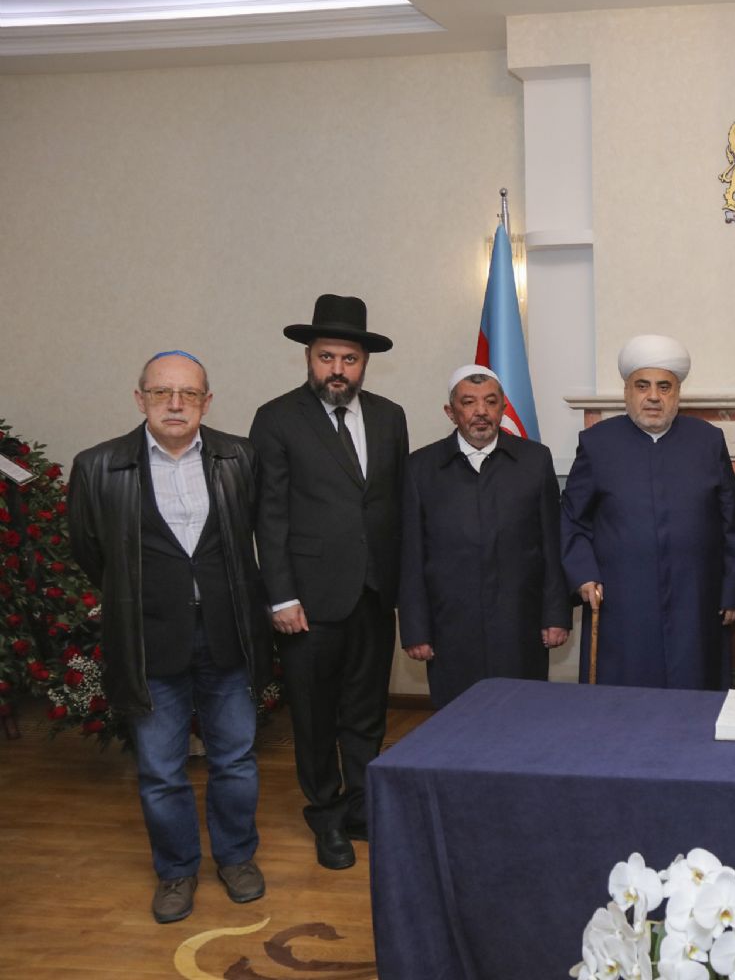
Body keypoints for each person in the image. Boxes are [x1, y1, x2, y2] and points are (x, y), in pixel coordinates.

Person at [69, 351, 273, 923]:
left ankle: (236, 858)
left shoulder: (239, 457)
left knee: (235, 759)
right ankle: (177, 870)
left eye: (189, 393)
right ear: (141, 399)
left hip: (229, 635)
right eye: (162, 392)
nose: (175, 404)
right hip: (148, 641)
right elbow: (91, 552)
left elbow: (258, 530)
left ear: (207, 401)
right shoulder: (98, 466)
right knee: (161, 770)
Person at [250, 294, 408, 871]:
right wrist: (282, 595)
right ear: (309, 358)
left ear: (364, 363)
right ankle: (326, 813)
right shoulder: (277, 418)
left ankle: (363, 808)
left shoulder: (390, 416)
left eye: (349, 359)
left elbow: (392, 505)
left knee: (366, 711)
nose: (337, 370)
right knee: (315, 715)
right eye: (326, 357)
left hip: (373, 593)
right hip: (308, 600)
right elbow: (269, 515)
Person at [561, 335, 735, 688]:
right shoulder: (597, 443)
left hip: (696, 598)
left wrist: (733, 590)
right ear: (626, 392)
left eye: (664, 387)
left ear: (677, 393)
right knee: (625, 698)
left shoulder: (708, 440)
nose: (653, 396)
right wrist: (584, 575)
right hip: (622, 600)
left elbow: (732, 524)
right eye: (642, 385)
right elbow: (572, 519)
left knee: (694, 691)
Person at [399, 365, 571, 707]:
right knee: (457, 720)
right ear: (451, 412)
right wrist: (416, 629)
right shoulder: (421, 467)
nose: (481, 411)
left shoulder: (535, 459)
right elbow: (411, 553)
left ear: (503, 408)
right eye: (469, 402)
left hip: (519, 623)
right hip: (450, 627)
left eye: (491, 402)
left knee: (522, 714)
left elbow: (552, 544)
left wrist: (556, 615)